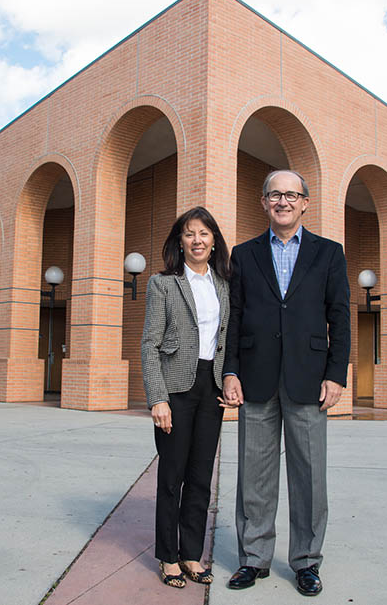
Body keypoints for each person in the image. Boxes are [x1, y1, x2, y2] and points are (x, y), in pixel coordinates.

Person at [222, 169, 350, 597]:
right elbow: (234, 317)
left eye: (291, 195)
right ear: (263, 202)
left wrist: (336, 374)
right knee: (254, 476)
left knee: (309, 476)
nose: (283, 201)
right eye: (275, 194)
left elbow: (341, 318)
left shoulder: (329, 254)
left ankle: (307, 562)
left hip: (309, 380)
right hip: (256, 378)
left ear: (305, 202)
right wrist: (231, 370)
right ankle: (253, 558)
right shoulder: (243, 254)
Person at [141, 206, 234, 588]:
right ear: (180, 241)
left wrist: (230, 380)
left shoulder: (225, 285)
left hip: (210, 387)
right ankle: (168, 557)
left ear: (214, 242)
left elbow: (228, 339)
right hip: (176, 388)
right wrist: (156, 399)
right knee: (172, 475)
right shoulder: (163, 283)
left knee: (200, 476)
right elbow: (149, 344)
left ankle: (192, 554)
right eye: (190, 234)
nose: (197, 240)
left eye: (204, 234)